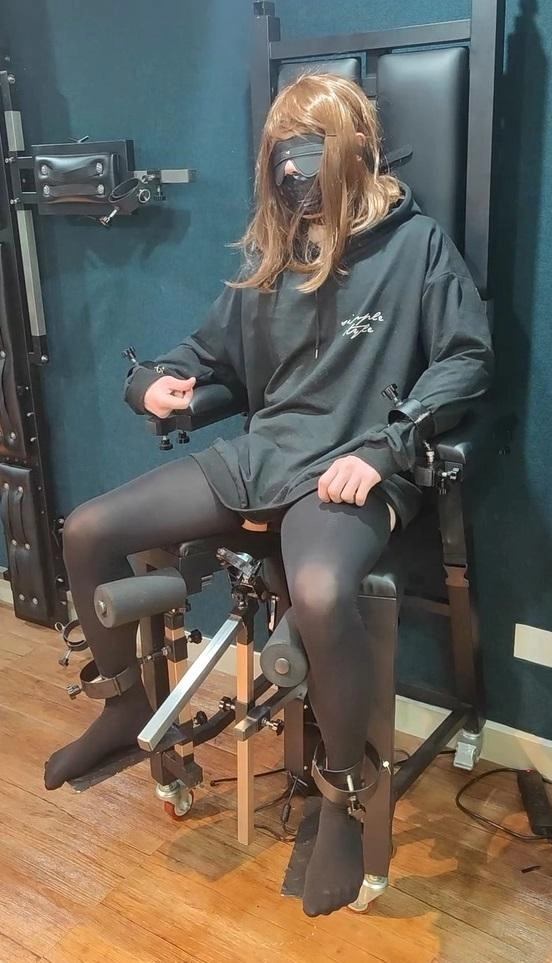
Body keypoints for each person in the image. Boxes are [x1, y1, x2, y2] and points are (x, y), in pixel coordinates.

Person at [44, 73, 493, 917]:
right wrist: (154, 383)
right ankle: (123, 706)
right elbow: (205, 355)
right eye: (281, 157)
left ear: (351, 151)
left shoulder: (416, 246)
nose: (292, 174)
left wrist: (387, 448)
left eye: (308, 154)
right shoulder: (274, 254)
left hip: (349, 469)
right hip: (265, 455)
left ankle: (343, 795)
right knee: (89, 529)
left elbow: (465, 359)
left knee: (319, 594)